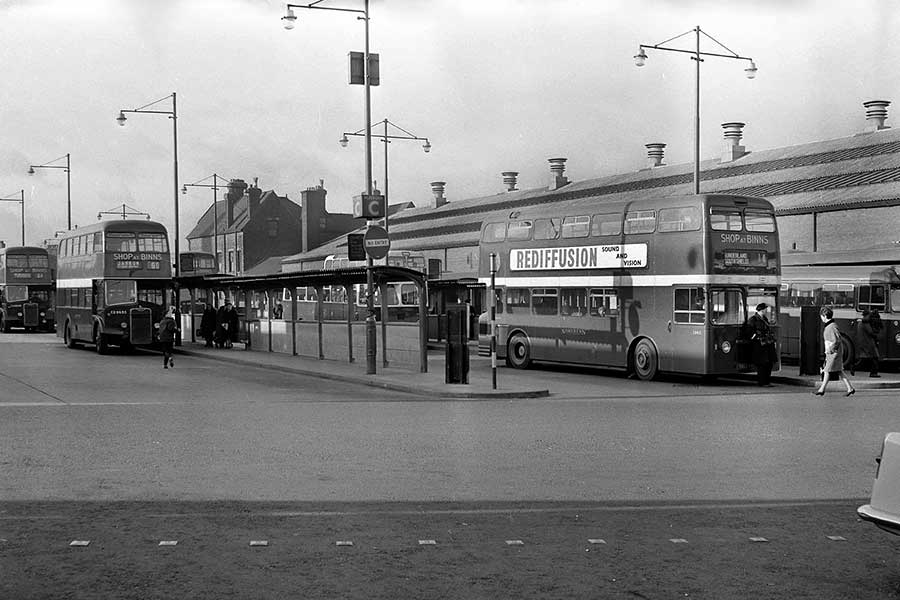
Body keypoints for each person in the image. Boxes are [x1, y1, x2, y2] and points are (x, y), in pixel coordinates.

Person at [815, 306, 855, 397]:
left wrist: (830, 349)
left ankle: (822, 389)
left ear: (824, 316)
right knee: (839, 371)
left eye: (821, 316)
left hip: (833, 353)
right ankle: (850, 388)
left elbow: (836, 340)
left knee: (827, 370)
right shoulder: (831, 326)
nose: (821, 318)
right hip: (833, 353)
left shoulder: (831, 327)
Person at [746, 302, 776, 387]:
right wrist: (756, 337)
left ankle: (767, 381)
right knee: (762, 364)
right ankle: (762, 382)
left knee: (769, 363)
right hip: (759, 345)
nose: (766, 310)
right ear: (761, 310)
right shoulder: (753, 319)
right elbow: (749, 332)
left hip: (767, 343)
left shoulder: (765, 319)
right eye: (765, 309)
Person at [852, 309, 882, 378]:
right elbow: (870, 332)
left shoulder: (861, 322)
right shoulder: (865, 323)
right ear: (866, 315)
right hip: (868, 343)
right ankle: (873, 373)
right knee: (875, 357)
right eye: (869, 315)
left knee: (864, 359)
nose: (870, 317)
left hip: (864, 342)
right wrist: (876, 334)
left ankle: (854, 367)